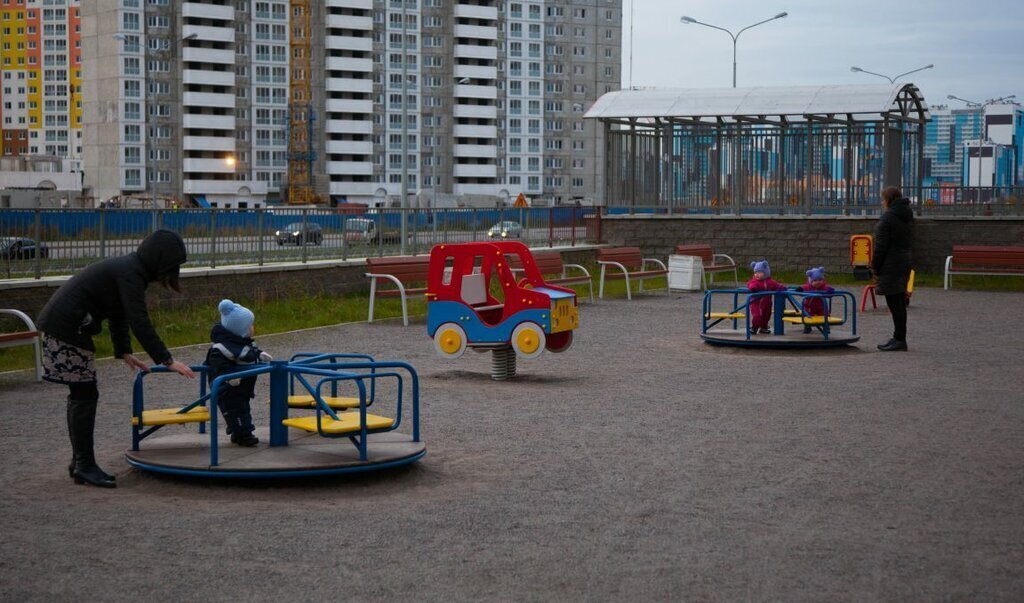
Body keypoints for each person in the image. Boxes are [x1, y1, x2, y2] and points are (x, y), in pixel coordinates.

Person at [36, 229, 195, 489]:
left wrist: (123, 350)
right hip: (67, 326)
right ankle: (84, 465)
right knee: (84, 394)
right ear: (158, 259)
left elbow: (119, 313)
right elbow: (138, 319)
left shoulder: (130, 270)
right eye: (170, 267)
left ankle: (80, 463)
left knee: (82, 393)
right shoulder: (130, 272)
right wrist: (166, 360)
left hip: (67, 324)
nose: (169, 273)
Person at [205, 299, 271, 447]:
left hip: (242, 387)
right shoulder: (222, 348)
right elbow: (217, 364)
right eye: (250, 326)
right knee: (236, 412)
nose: (253, 328)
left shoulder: (242, 343)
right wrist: (229, 376)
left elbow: (250, 353)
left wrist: (260, 355)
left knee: (243, 409)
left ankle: (237, 433)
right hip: (228, 389)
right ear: (240, 330)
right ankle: (245, 435)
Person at [872, 186, 914, 351]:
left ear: (888, 200)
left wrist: (875, 266)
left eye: (883, 199)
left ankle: (900, 339)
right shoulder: (905, 216)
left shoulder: (888, 219)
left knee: (894, 302)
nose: (882, 202)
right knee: (898, 301)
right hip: (904, 261)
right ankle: (898, 337)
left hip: (891, 263)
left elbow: (881, 246)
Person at [747, 260, 786, 335]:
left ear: (766, 272)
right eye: (755, 272)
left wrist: (783, 288)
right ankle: (754, 327)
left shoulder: (770, 281)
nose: (757, 274)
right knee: (757, 316)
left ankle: (764, 327)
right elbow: (750, 284)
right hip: (756, 303)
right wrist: (753, 288)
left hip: (767, 303)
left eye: (759, 272)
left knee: (766, 315)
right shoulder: (754, 281)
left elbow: (776, 285)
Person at [798, 267, 836, 334]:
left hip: (821, 306)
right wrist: (800, 289)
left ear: (823, 280)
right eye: (815, 280)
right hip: (809, 306)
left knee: (825, 315)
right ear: (811, 281)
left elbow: (828, 290)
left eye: (820, 280)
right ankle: (807, 327)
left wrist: (830, 290)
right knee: (807, 315)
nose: (818, 282)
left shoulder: (823, 287)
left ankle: (826, 327)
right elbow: (803, 288)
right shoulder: (808, 287)